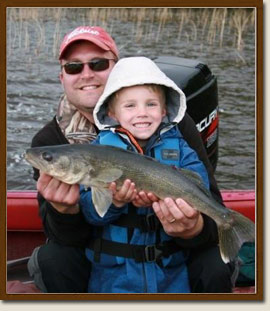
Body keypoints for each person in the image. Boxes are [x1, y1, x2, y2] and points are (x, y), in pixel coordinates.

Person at [27, 26, 233, 293]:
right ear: (62, 77)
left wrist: (193, 228)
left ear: (116, 68)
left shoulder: (176, 126)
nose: (86, 74)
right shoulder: (49, 141)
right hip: (107, 263)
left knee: (215, 264)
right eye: (74, 67)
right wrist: (65, 211)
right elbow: (63, 237)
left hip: (171, 256)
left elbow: (210, 202)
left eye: (98, 63)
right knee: (53, 259)